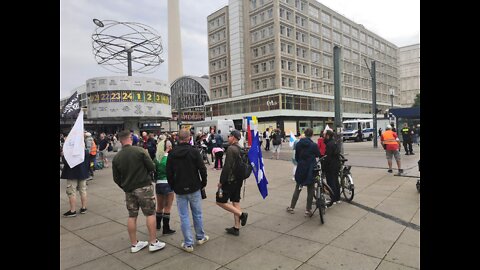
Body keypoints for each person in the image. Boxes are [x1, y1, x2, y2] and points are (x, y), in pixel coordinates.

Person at [112, 130, 166, 253]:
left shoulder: (117, 157)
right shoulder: (140, 151)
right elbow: (152, 167)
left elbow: (116, 178)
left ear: (120, 141)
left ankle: (134, 244)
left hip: (129, 189)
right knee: (150, 213)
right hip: (144, 187)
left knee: (132, 215)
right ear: (130, 138)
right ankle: (153, 242)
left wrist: (125, 185)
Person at [166, 129, 209, 252]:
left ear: (177, 139)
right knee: (197, 214)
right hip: (194, 187)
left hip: (179, 189)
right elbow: (202, 169)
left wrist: (173, 185)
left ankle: (188, 243)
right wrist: (203, 183)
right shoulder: (194, 152)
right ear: (189, 138)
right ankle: (200, 237)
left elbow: (169, 173)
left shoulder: (172, 153)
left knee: (184, 216)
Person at [216, 129, 249, 236]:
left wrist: (221, 182)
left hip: (230, 181)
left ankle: (241, 214)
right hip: (238, 180)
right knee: (235, 201)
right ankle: (236, 228)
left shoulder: (231, 149)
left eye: (229, 136)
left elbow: (227, 167)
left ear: (233, 138)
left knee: (220, 201)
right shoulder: (241, 149)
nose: (228, 138)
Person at [286, 128, 320, 216]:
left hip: (301, 168)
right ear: (312, 135)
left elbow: (296, 157)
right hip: (310, 169)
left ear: (304, 134)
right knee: (310, 189)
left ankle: (292, 207)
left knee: (298, 188)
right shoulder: (313, 145)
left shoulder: (298, 144)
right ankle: (308, 210)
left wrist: (301, 162)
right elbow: (318, 154)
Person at [154, 140, 176, 235]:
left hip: (158, 183)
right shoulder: (170, 158)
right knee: (168, 207)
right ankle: (166, 228)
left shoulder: (157, 158)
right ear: (169, 147)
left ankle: (157, 225)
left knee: (159, 206)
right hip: (168, 183)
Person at [61, 147, 90, 217]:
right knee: (83, 190)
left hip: (72, 173)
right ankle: (84, 208)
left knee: (71, 192)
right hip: (82, 173)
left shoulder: (69, 150)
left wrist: (63, 155)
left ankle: (72, 210)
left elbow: (65, 162)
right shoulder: (84, 150)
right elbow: (88, 162)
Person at [324, 130, 341, 204]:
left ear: (328, 136)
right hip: (337, 164)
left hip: (330, 166)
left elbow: (328, 157)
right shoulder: (335, 142)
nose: (324, 136)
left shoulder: (329, 144)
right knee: (336, 181)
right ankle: (338, 198)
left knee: (331, 182)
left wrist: (324, 166)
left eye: (325, 135)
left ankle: (333, 198)